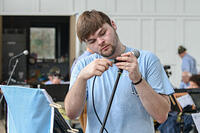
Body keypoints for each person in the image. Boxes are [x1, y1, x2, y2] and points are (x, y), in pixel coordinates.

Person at [64, 10, 174, 133]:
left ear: (113, 25)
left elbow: (162, 115)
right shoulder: (83, 66)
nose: (100, 42)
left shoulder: (147, 60)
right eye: (92, 41)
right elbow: (71, 114)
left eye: (103, 33)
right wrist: (81, 79)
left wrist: (138, 80)